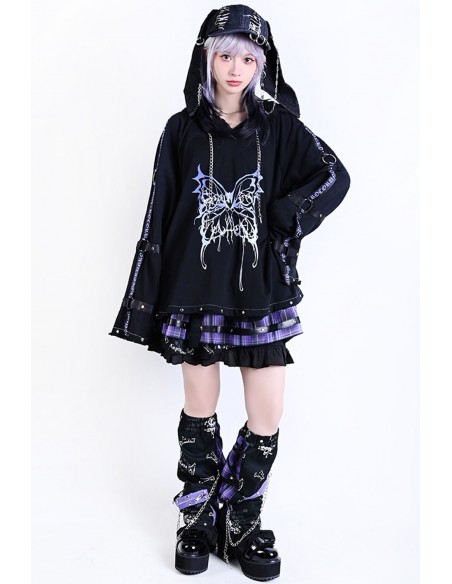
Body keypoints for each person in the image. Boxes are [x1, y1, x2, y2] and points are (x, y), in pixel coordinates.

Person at [109, 4, 351, 580]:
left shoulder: (280, 127)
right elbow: (160, 213)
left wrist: (287, 214)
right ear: (207, 59)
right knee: (200, 404)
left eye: (247, 58)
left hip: (260, 292)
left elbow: (334, 176)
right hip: (196, 293)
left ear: (262, 63)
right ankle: (197, 516)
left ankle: (241, 518)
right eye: (225, 55)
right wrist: (153, 296)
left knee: (268, 411)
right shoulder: (181, 130)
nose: (236, 68)